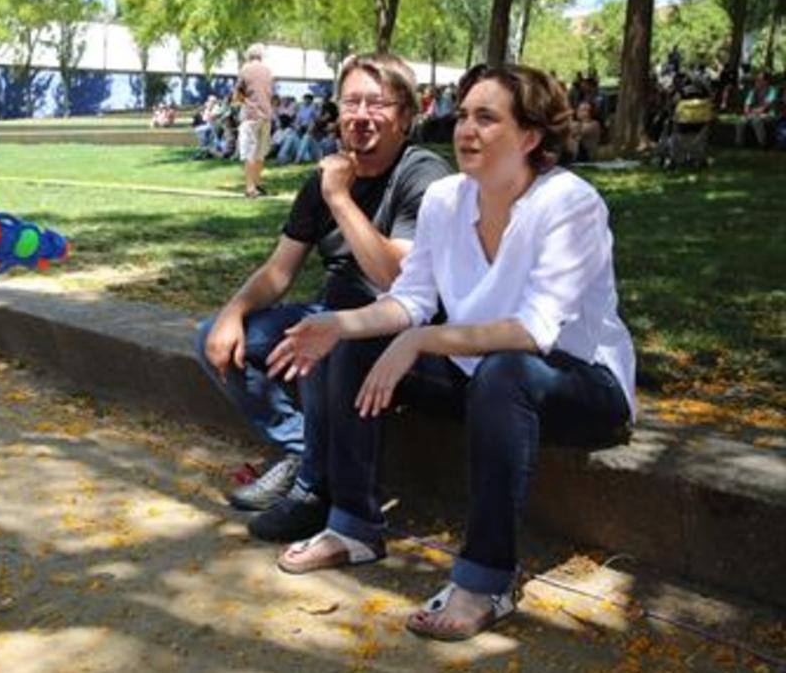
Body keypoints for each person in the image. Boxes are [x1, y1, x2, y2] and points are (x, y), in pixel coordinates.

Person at [265, 64, 634, 641]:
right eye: (463, 115)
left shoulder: (570, 203)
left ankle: (486, 578)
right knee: (351, 345)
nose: (466, 129)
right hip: (477, 375)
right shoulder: (445, 199)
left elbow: (536, 330)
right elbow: (410, 300)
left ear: (531, 136)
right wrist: (339, 324)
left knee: (506, 371)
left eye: (487, 118)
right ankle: (355, 526)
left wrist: (423, 339)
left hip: (580, 384)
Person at [196, 54, 451, 513]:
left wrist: (339, 198)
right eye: (351, 102)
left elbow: (397, 279)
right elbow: (279, 270)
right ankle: (302, 451)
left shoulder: (423, 175)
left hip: (397, 330)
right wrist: (232, 314)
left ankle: (317, 486)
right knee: (213, 337)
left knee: (326, 339)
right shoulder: (325, 178)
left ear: (407, 116)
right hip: (332, 315)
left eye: (377, 103)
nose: (361, 115)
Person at [236, 43, 274, 197]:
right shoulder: (268, 71)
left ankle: (250, 188)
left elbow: (238, 93)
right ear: (261, 56)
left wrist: (242, 102)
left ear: (248, 56)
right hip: (266, 115)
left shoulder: (245, 70)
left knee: (249, 152)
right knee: (260, 153)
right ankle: (256, 185)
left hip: (251, 115)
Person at [735, 71, 779, 148]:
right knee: (741, 120)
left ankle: (763, 144)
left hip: (769, 114)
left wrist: (753, 112)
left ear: (766, 81)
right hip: (754, 114)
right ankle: (739, 144)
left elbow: (765, 106)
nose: (757, 81)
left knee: (756, 121)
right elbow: (747, 105)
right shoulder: (753, 91)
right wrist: (748, 112)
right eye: (757, 79)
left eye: (760, 79)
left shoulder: (772, 90)